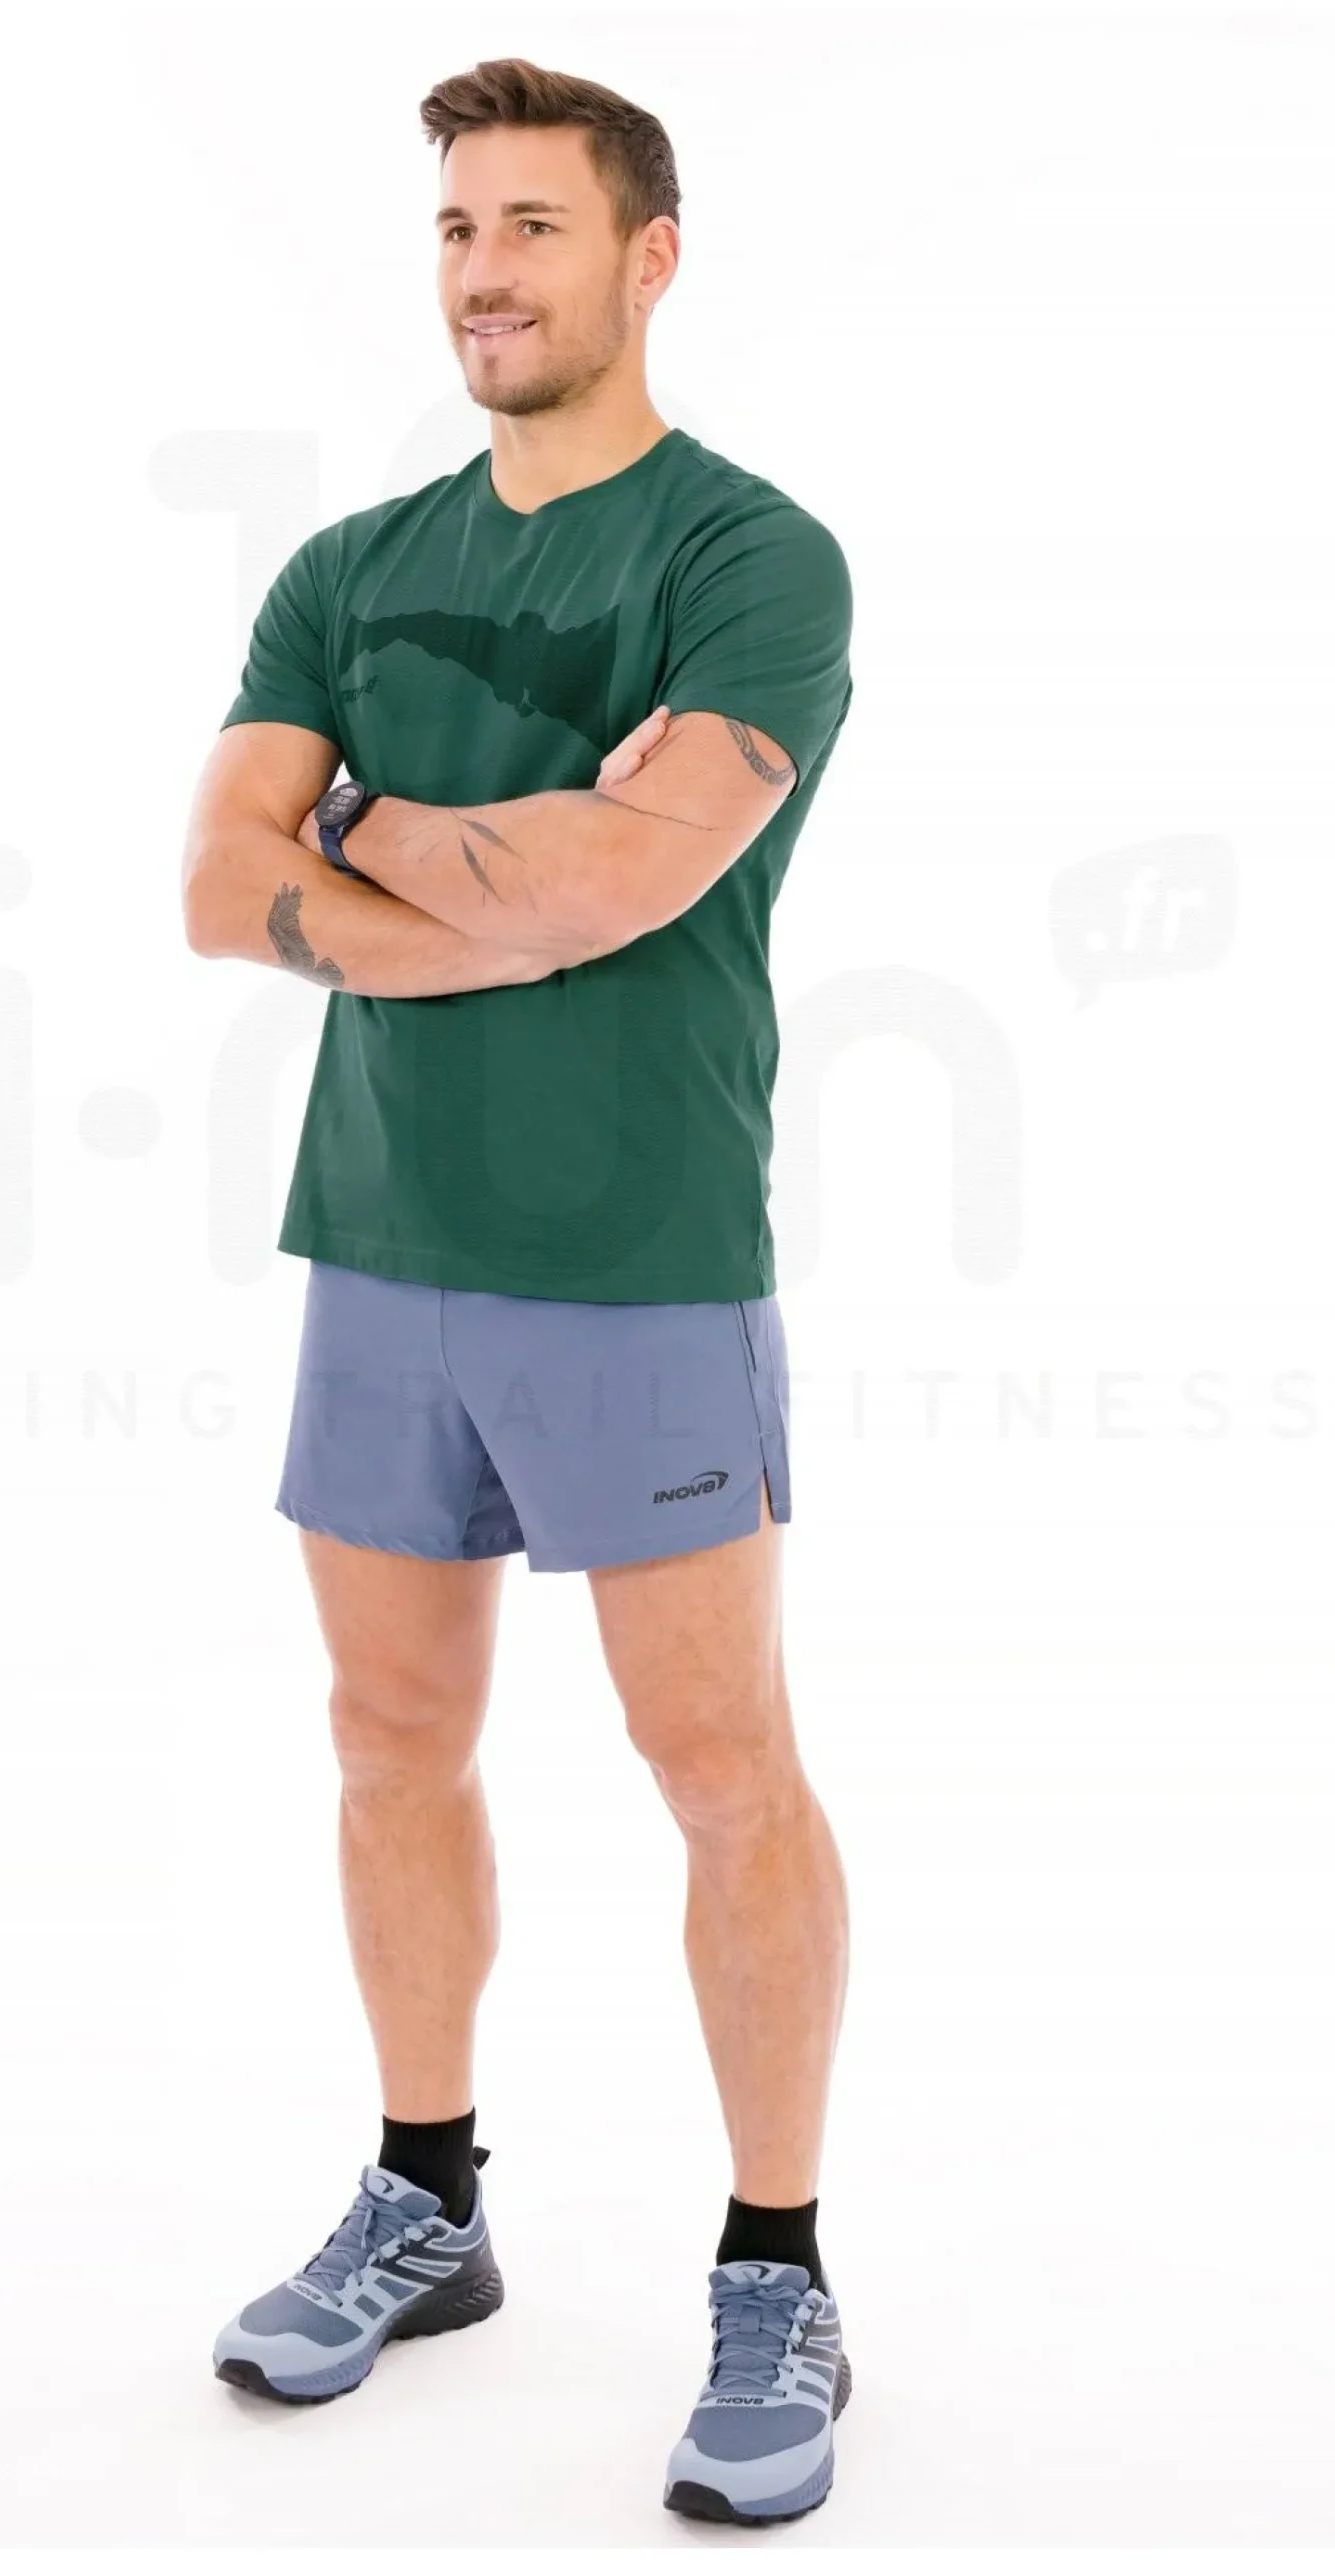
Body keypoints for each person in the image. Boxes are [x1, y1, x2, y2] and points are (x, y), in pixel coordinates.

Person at [181, 54, 855, 2526]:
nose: (483, 272)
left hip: (636, 1256)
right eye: (457, 229)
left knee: (717, 1763)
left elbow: (629, 882)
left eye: (533, 226)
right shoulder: (343, 566)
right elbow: (213, 883)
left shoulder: (749, 557)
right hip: (377, 1240)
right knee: (385, 1733)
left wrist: (361, 838)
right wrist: (514, 864)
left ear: (644, 256)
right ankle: (425, 2200)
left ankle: (776, 2264)